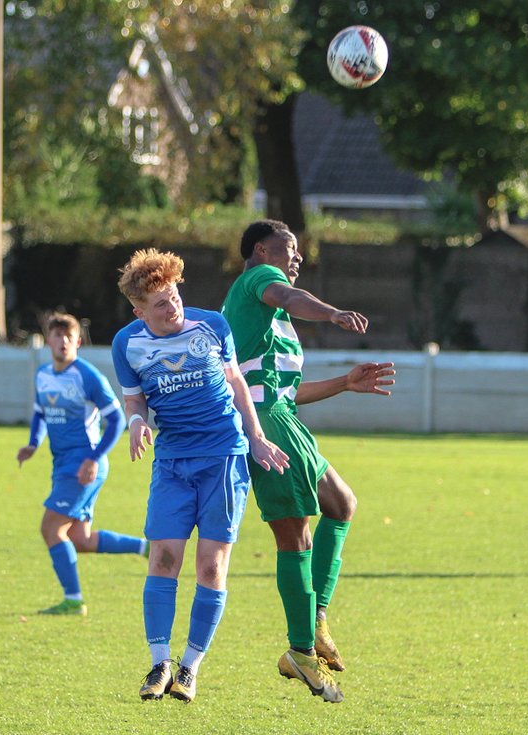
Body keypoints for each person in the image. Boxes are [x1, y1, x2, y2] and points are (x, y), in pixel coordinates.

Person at [221, 220, 396, 704]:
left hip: (281, 416)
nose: (297, 256)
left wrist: (344, 382)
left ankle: (315, 619)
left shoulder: (268, 313)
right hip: (264, 423)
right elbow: (293, 298)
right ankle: (301, 648)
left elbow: (286, 390)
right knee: (294, 532)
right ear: (260, 249)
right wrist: (335, 312)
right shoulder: (258, 281)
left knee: (341, 503)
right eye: (289, 247)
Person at [111, 249, 289, 703]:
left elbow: (236, 385)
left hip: (224, 459)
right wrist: (135, 424)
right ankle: (158, 663)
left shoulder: (213, 326)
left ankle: (189, 668)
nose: (172, 307)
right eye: (159, 303)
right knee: (163, 559)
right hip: (172, 462)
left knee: (210, 566)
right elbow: (135, 400)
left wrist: (257, 436)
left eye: (173, 295)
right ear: (139, 311)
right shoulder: (126, 344)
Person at [16, 313, 145, 616]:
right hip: (62, 464)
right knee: (79, 539)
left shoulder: (87, 376)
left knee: (50, 529)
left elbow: (115, 419)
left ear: (77, 341)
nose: (62, 341)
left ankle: (73, 600)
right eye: (56, 335)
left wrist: (94, 457)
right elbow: (39, 413)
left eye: (68, 336)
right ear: (48, 339)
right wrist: (33, 444)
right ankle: (146, 548)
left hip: (83, 465)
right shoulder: (43, 374)